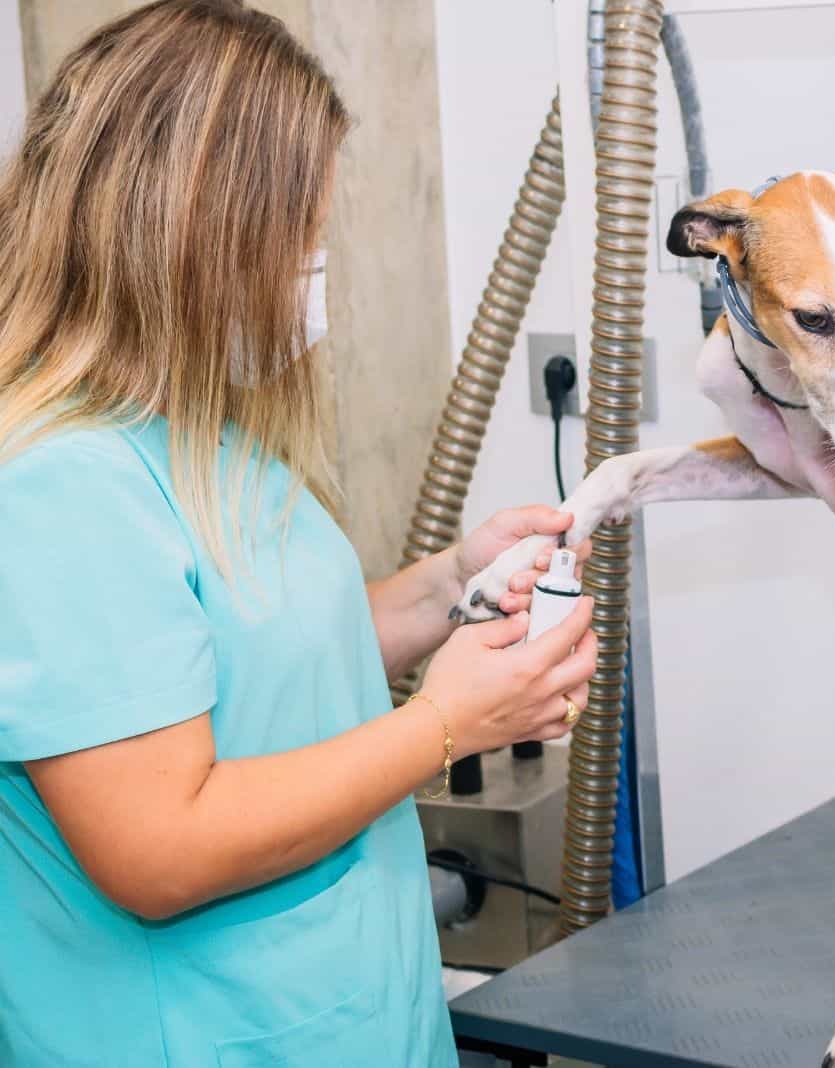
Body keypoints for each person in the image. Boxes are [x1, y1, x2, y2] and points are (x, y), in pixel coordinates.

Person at [0, 2, 595, 1064]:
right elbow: (159, 847)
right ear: (196, 232)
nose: (312, 269)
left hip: (346, 1016)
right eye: (299, 238)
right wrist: (449, 725)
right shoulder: (62, 487)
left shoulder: (200, 435)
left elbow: (264, 666)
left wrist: (449, 584)